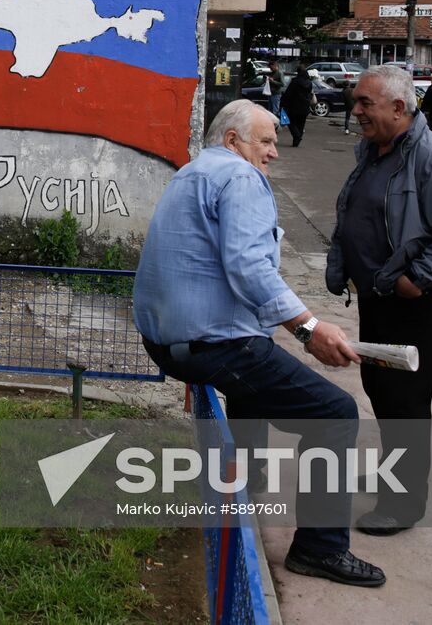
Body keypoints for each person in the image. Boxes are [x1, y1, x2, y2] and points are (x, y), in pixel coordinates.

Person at [134, 100, 385, 588]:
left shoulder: (194, 171)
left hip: (168, 342)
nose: (274, 152)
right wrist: (310, 329)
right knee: (335, 413)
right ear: (233, 140)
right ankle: (320, 549)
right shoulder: (240, 178)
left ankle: (242, 493)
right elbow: (250, 267)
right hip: (211, 344)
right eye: (266, 140)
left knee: (255, 385)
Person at [326, 66, 432, 536]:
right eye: (356, 102)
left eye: (364, 103)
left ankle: (404, 502)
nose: (355, 111)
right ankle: (397, 474)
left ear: (398, 107)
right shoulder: (376, 150)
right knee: (379, 386)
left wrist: (418, 279)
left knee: (406, 398)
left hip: (414, 300)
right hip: (378, 293)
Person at [280, 66, 316, 147]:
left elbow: (288, 93)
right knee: (301, 123)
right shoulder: (309, 83)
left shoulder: (295, 82)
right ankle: (296, 140)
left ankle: (296, 136)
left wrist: (283, 102)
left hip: (294, 106)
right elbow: (310, 93)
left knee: (290, 121)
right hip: (305, 106)